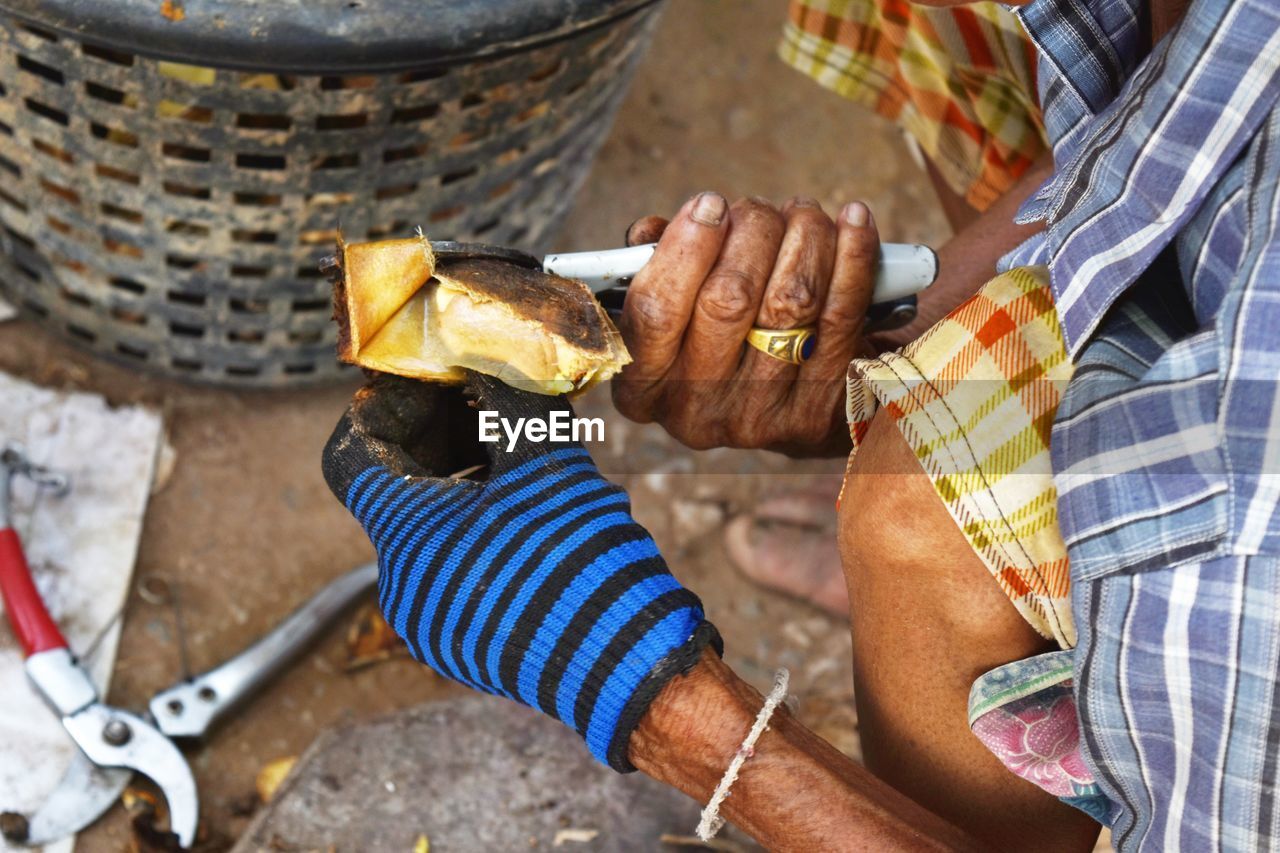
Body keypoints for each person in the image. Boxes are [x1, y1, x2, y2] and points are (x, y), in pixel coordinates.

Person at [322, 0, 1280, 848]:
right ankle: (1017, 605)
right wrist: (900, 331)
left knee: (916, 513)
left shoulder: (1249, 556)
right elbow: (1171, 147)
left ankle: (1067, 651)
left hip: (1231, 640)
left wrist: (657, 695)